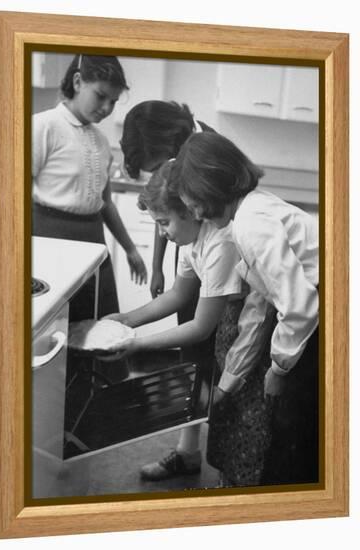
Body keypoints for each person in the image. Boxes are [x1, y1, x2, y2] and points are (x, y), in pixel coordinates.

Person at [104, 161, 272, 486]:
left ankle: (243, 494)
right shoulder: (190, 239)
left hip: (258, 328)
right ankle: (226, 480)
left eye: (164, 223)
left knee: (247, 415)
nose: (163, 233)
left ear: (191, 212)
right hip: (231, 327)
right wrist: (127, 321)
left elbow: (200, 327)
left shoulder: (221, 241)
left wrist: (133, 343)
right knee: (227, 414)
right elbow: (179, 295)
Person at [174, 131, 319, 485]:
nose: (192, 211)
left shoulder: (252, 223)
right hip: (316, 314)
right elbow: (260, 301)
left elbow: (299, 305)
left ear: (210, 184)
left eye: (191, 200)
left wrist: (279, 369)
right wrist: (232, 378)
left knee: (297, 434)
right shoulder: (250, 210)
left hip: (324, 316)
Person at [120, 101, 217, 479]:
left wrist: (138, 341)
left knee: (211, 358)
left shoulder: (206, 151)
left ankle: (210, 455)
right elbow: (166, 212)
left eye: (157, 160)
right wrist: (159, 264)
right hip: (190, 254)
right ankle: (188, 451)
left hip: (216, 263)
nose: (159, 167)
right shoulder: (174, 168)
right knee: (193, 357)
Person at [32, 54, 147, 322]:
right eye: (100, 96)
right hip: (50, 240)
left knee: (98, 324)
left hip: (94, 241)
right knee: (56, 326)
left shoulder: (101, 141)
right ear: (77, 82)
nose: (107, 107)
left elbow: (105, 203)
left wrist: (130, 249)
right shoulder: (43, 126)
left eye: (114, 101)